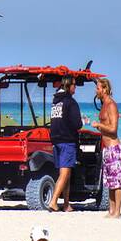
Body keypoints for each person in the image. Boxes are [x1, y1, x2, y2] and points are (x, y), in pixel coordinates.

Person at [47, 76, 82, 212]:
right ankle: (54, 201)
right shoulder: (70, 102)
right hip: (67, 140)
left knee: (65, 174)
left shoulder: (55, 102)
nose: (76, 87)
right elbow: (77, 124)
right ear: (68, 86)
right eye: (74, 84)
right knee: (65, 173)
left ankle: (66, 204)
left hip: (56, 140)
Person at [92, 78, 121, 219]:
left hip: (113, 148)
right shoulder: (104, 104)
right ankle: (111, 210)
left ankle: (117, 211)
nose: (96, 91)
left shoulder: (111, 105)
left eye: (98, 88)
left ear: (104, 89)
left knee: (116, 182)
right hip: (106, 149)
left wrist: (99, 125)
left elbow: (113, 129)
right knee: (110, 182)